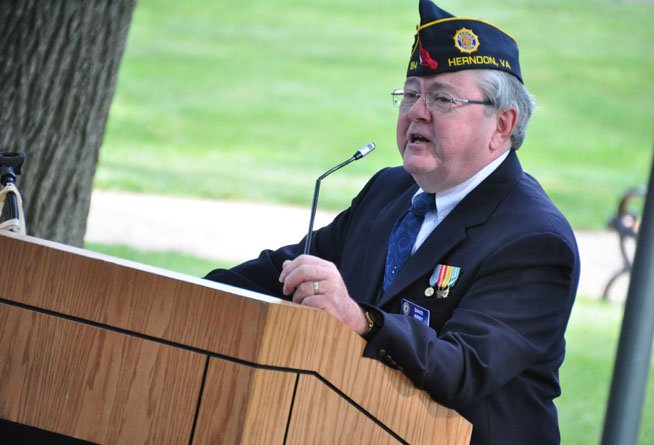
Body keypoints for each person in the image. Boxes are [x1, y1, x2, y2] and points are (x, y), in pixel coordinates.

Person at [205, 1, 580, 443]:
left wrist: (361, 319)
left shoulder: (533, 240)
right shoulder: (389, 190)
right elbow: (287, 273)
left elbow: (463, 367)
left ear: (502, 124)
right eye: (410, 94)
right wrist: (188, 292)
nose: (417, 112)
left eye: (442, 98)